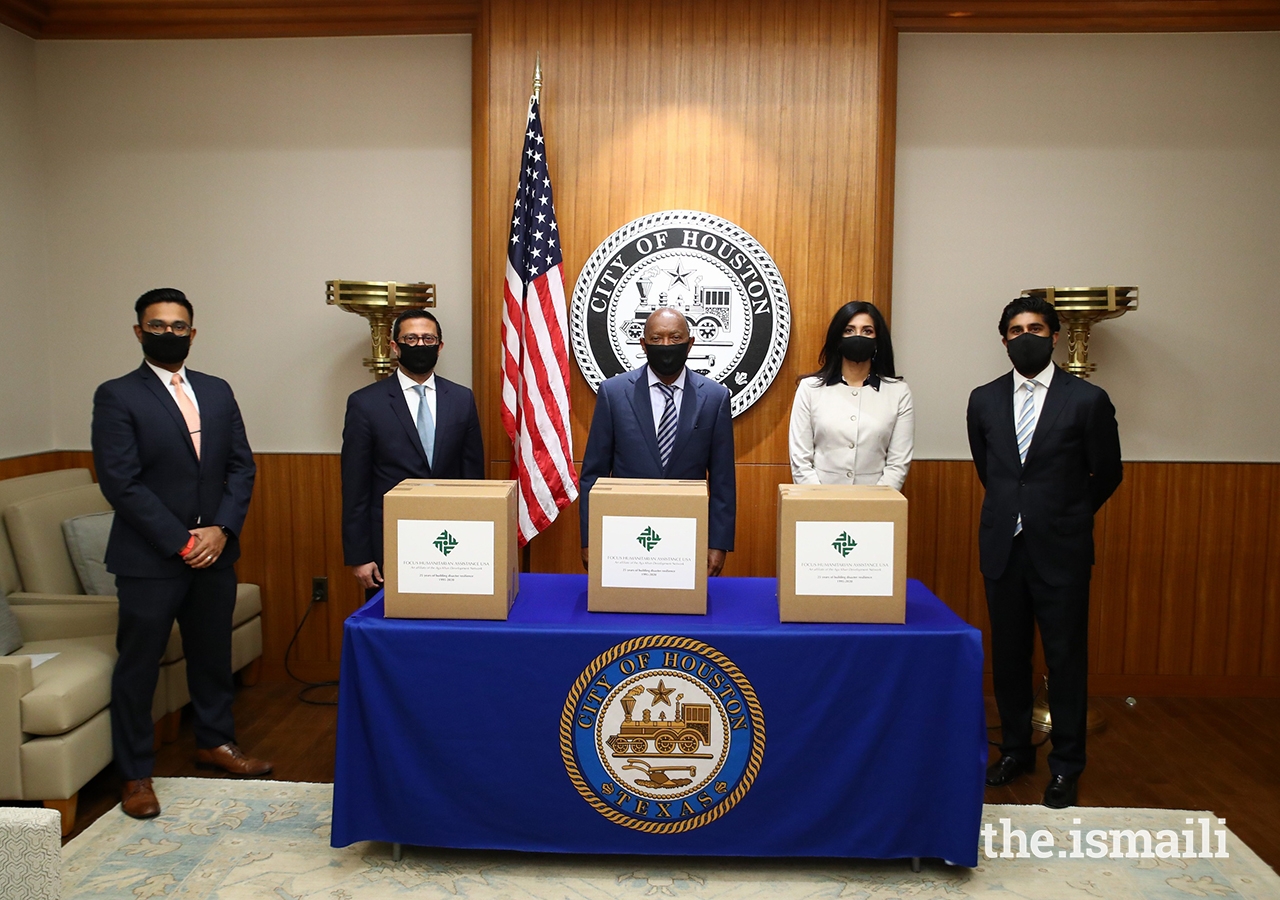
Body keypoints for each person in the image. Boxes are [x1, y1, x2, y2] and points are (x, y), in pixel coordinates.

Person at [92, 288, 270, 820]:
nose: (168, 333)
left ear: (193, 332)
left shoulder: (217, 391)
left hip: (215, 551)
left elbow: (241, 466)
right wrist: (181, 540)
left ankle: (215, 742)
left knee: (212, 655)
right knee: (139, 667)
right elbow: (120, 483)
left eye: (178, 326)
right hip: (150, 559)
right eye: (157, 325)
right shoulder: (117, 395)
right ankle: (135, 773)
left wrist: (221, 530)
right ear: (138, 331)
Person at [967, 295, 1123, 809]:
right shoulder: (983, 399)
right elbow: (991, 470)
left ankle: (1067, 766)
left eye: (1036, 328)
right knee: (1010, 659)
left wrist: (1066, 513)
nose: (1025, 336)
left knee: (1065, 658)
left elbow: (1108, 473)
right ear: (1004, 339)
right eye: (1015, 330)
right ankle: (1015, 750)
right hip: (1003, 548)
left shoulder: (1087, 399)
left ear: (1055, 336)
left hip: (1062, 549)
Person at [579, 307, 735, 576]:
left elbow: (723, 480)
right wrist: (589, 538)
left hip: (687, 531)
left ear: (690, 344)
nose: (666, 345)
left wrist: (718, 544)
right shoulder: (613, 393)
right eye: (656, 338)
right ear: (643, 344)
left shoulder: (715, 397)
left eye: (675, 338)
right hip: (624, 529)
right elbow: (593, 474)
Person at [341, 308, 484, 593]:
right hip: (390, 542)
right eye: (411, 338)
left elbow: (473, 477)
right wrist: (360, 556)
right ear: (395, 346)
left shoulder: (461, 399)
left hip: (451, 540)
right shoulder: (365, 404)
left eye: (428, 339)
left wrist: (476, 539)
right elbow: (355, 486)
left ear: (440, 347)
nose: (420, 345)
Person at [788, 301, 914, 489]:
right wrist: (821, 501)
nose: (858, 336)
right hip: (818, 505)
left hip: (877, 507)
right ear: (838, 338)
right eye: (849, 330)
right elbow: (801, 461)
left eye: (867, 331)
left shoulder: (898, 392)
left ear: (878, 340)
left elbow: (897, 464)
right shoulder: (810, 389)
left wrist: (872, 504)